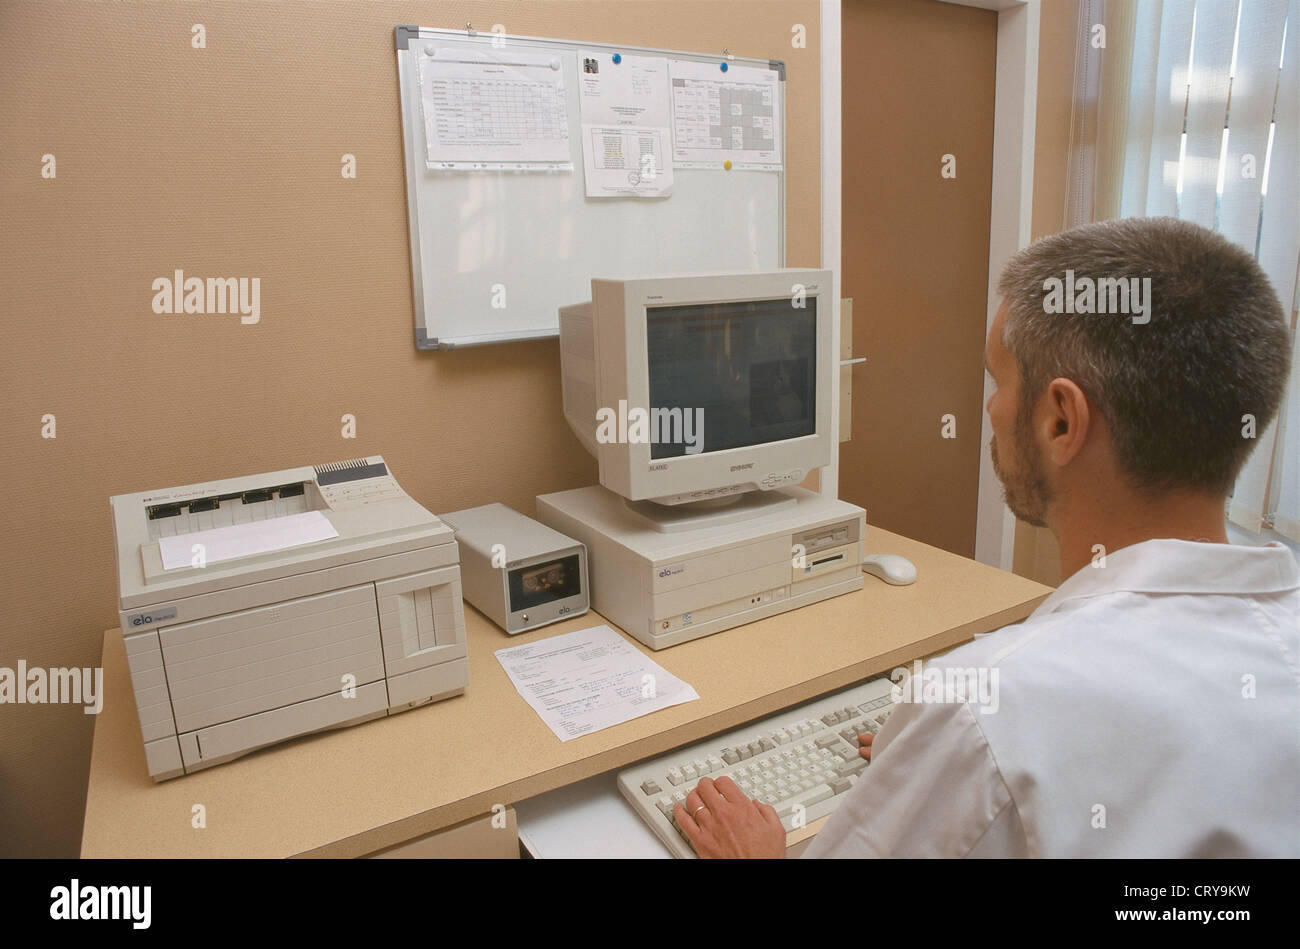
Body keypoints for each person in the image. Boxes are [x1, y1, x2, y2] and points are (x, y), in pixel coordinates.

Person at [674, 217, 1299, 858]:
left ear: (1061, 420)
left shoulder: (987, 708)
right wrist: (929, 755)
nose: (992, 409)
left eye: (998, 381)